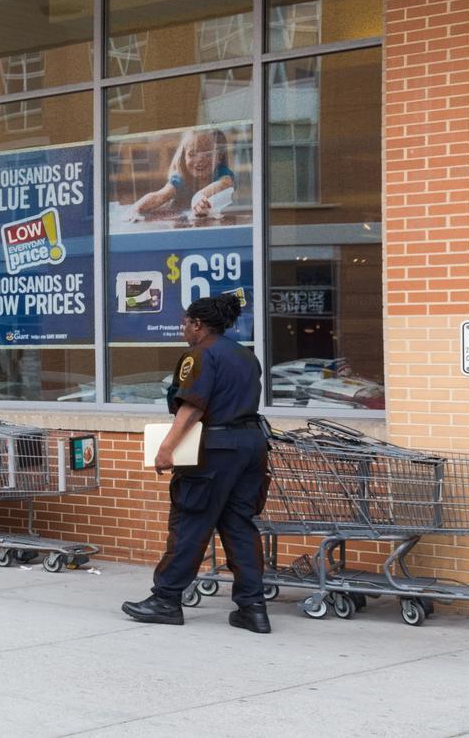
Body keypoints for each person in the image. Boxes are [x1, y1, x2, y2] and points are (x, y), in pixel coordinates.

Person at [122, 293, 270, 633]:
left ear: (198, 324)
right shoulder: (246, 355)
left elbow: (192, 407)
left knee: (190, 522)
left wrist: (166, 448)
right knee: (239, 526)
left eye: (185, 324)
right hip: (251, 446)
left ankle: (166, 600)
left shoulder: (200, 355)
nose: (183, 330)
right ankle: (253, 608)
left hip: (214, 450)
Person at [132, 127, 236, 222]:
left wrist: (199, 196)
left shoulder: (221, 173)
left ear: (219, 157)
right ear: (184, 157)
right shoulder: (181, 179)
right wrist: (136, 209)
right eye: (192, 154)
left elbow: (226, 183)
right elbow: (160, 196)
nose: (199, 160)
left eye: (208, 154)